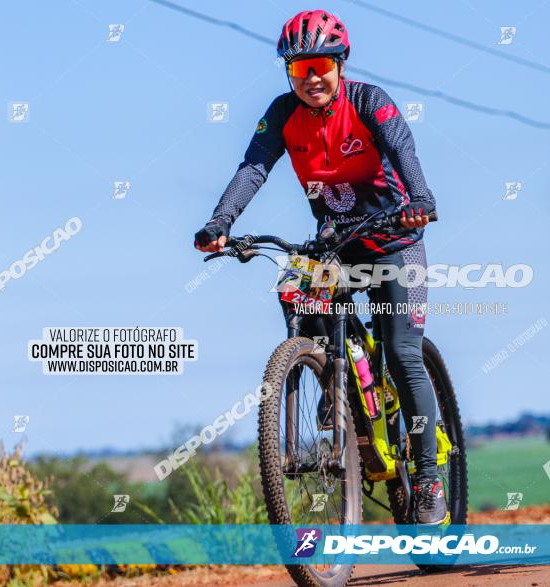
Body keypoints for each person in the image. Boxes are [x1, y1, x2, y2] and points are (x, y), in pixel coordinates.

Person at [194, 10, 446, 524]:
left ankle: (428, 477)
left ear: (339, 63)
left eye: (320, 65)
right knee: (294, 292)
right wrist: (220, 222)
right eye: (299, 68)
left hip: (395, 238)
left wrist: (419, 196)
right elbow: (254, 167)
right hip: (336, 243)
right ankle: (331, 379)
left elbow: (402, 149)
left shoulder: (370, 102)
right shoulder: (282, 113)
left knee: (401, 350)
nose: (311, 77)